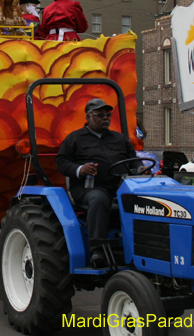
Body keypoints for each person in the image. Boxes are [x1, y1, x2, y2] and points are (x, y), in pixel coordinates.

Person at [56, 98, 141, 268]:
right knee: (99, 198)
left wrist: (140, 168)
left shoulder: (119, 138)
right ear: (88, 117)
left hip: (119, 186)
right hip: (88, 188)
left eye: (108, 115)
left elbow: (133, 161)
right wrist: (80, 169)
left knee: (145, 198)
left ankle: (144, 246)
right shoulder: (75, 138)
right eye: (100, 115)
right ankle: (97, 250)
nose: (105, 118)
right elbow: (62, 162)